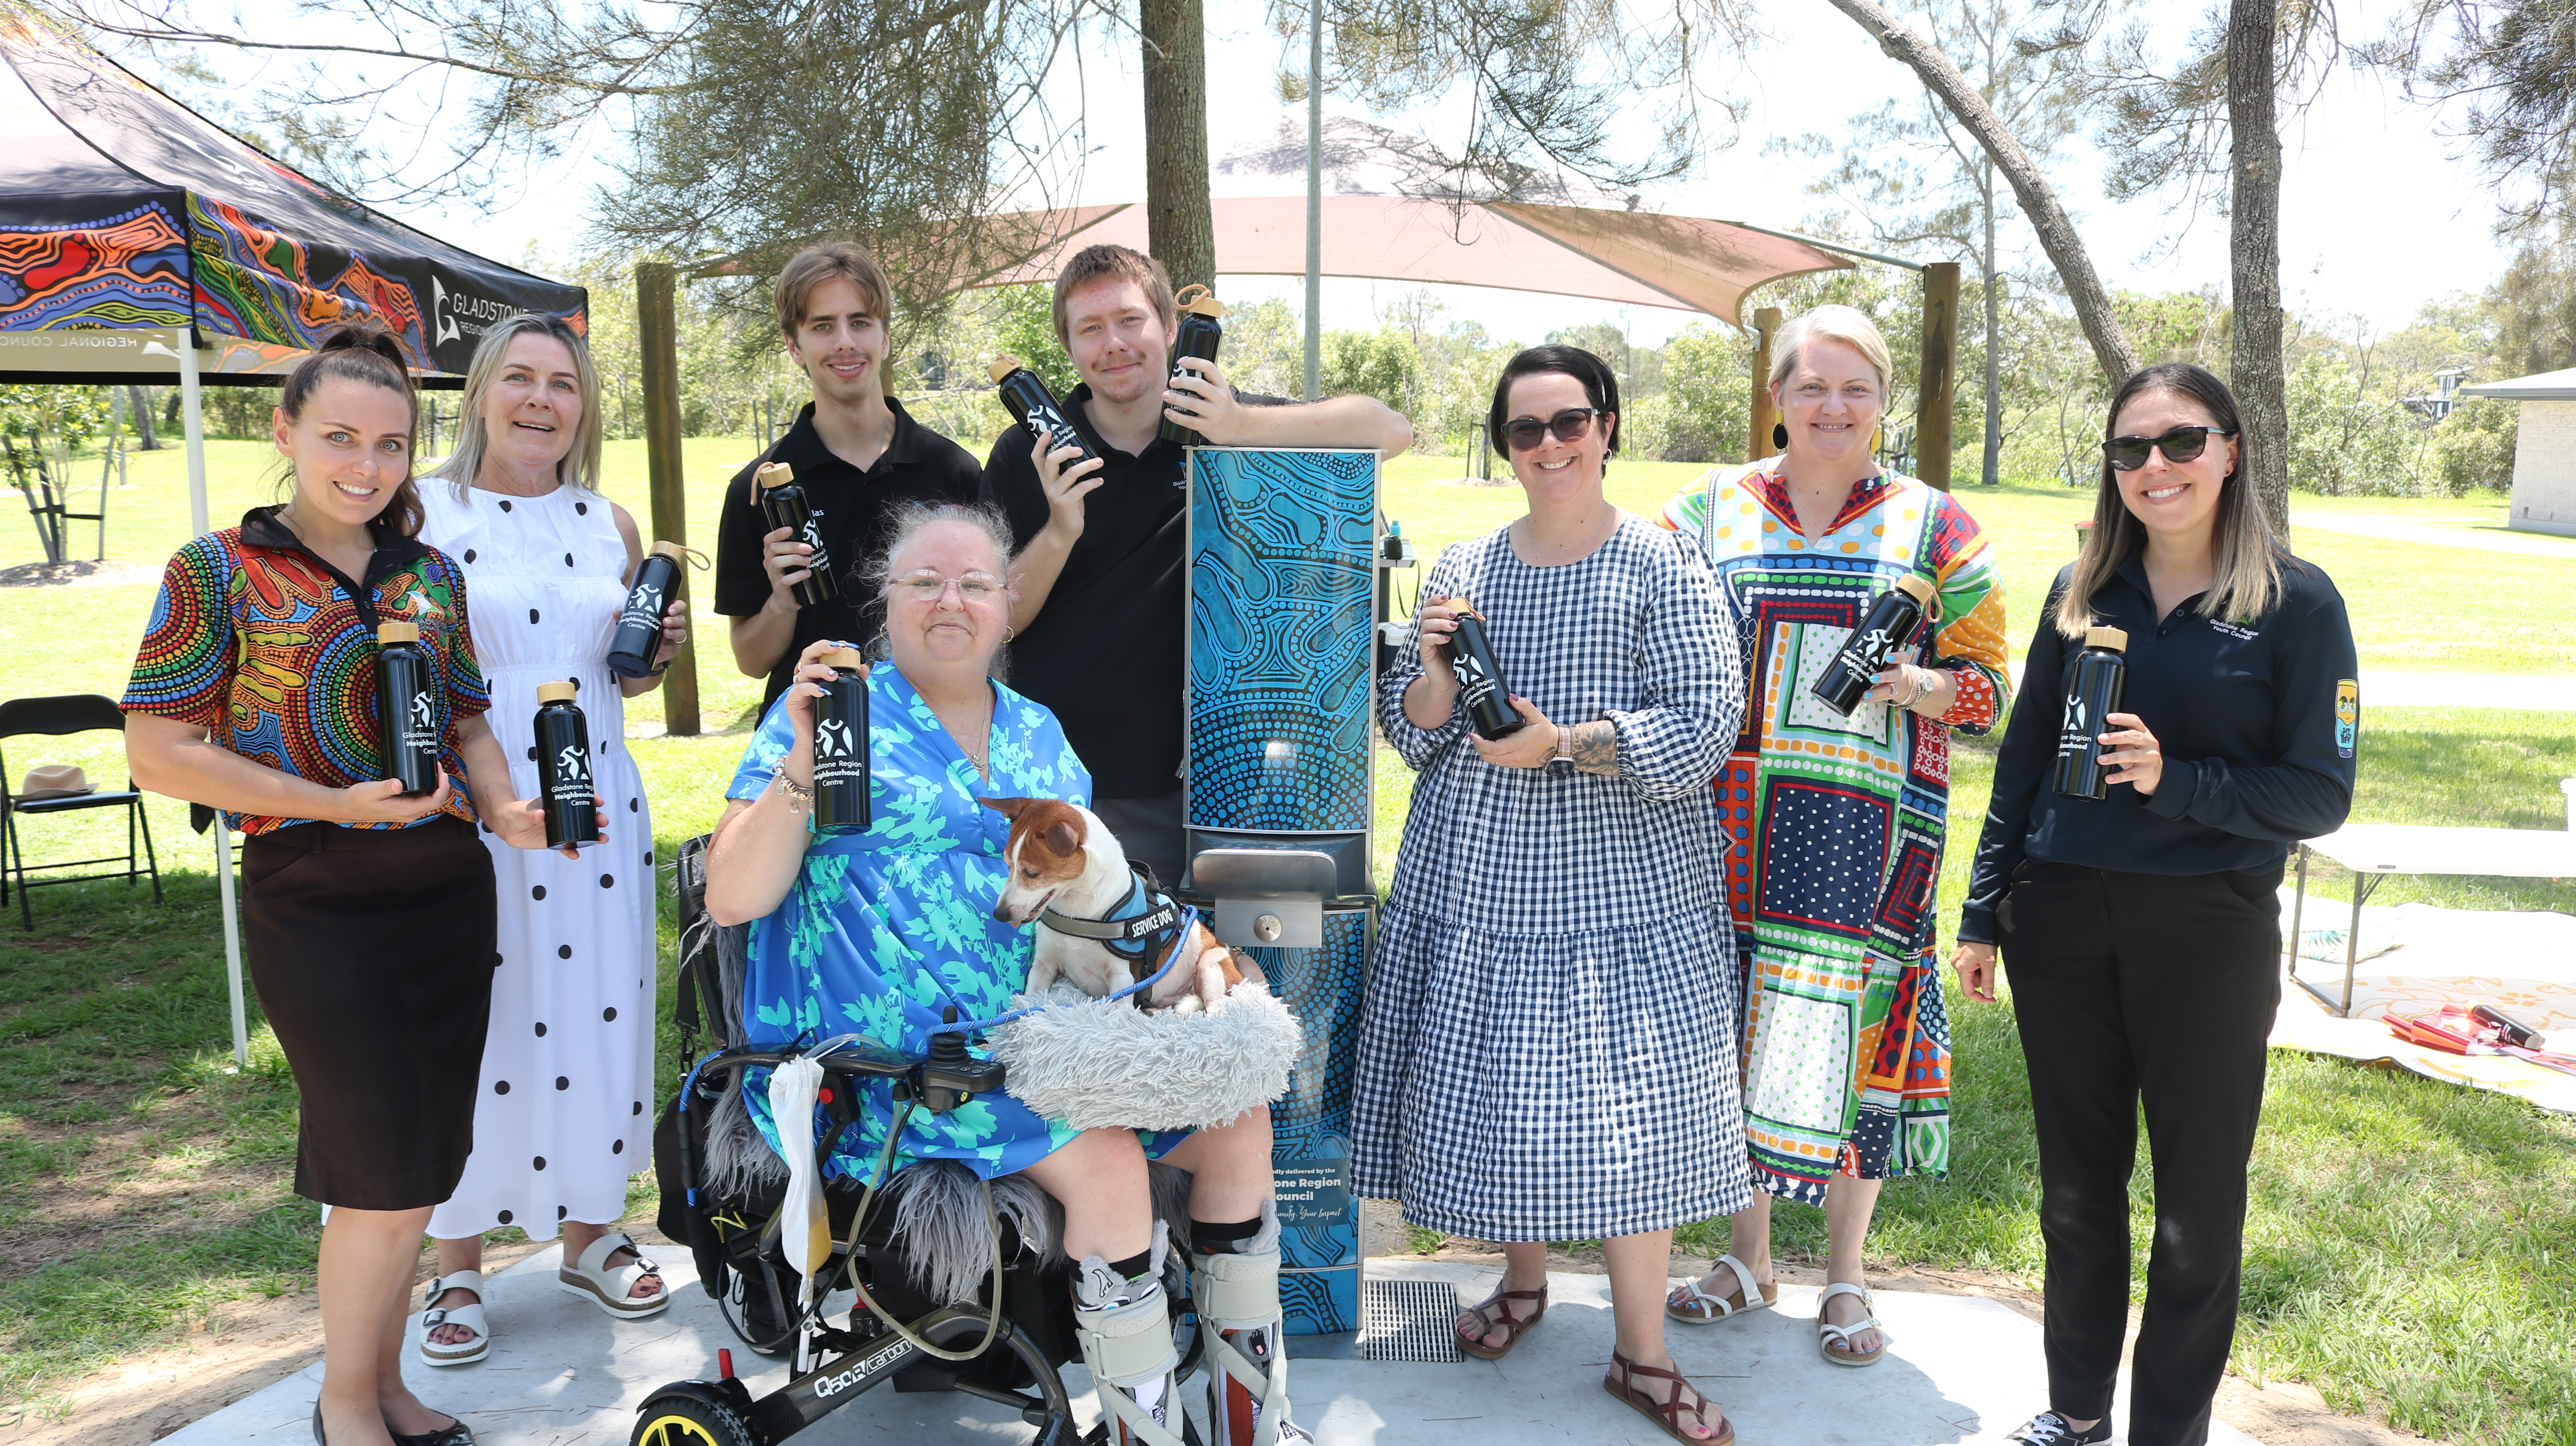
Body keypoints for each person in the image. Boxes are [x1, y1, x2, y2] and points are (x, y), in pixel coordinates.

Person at [702, 502, 1312, 1446]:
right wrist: (794, 765)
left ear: (1007, 602)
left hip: (1045, 1041)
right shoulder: (840, 721)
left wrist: (1204, 962)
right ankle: (1141, 1435)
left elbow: (1104, 890)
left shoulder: (1037, 732)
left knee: (1238, 1123)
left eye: (975, 583)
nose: (952, 601)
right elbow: (735, 898)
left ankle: (1250, 1424)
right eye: (925, 582)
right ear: (887, 598)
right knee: (1107, 1158)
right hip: (905, 1079)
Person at [122, 326, 572, 1446]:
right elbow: (157, 749)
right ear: (285, 433)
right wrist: (331, 802)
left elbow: (466, 719)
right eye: (338, 438)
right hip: (313, 893)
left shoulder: (430, 574)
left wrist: (509, 808)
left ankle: (383, 1387)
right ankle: (345, 1405)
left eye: (388, 444)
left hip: (445, 894)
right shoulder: (218, 570)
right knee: (374, 1165)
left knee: (419, 1166)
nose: (365, 466)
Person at [1957, 363, 2356, 1446]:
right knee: (2079, 1196)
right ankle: (2077, 1415)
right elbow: (2024, 764)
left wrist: (2174, 779)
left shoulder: (2296, 602)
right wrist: (1985, 912)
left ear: (2231, 448)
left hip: (2208, 935)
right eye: (2130, 450)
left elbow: (2320, 792)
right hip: (2063, 929)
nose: (2155, 469)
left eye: (2181, 443)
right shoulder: (2080, 594)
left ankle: (2166, 1432)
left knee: (2195, 1211)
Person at [1353, 346, 1746, 1444]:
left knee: (1634, 1116)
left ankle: (1642, 1354)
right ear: (1505, 446)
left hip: (1623, 884)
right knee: (1504, 1091)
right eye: (1524, 431)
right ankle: (1522, 1288)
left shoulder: (1662, 566)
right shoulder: (1464, 564)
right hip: (1478, 872)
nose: (1548, 447)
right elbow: (1416, 728)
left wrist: (1566, 742)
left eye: (1567, 423)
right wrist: (1429, 664)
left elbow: (1708, 722)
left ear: (1607, 427)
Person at [1655, 304, 2011, 1367]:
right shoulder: (1702, 513)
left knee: (1858, 1041)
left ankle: (1847, 1274)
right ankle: (1747, 1257)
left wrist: (1915, 683)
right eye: (1811, 385)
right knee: (1733, 1032)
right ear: (1776, 396)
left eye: (1855, 388)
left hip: (1873, 838)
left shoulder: (1936, 527)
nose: (1832, 407)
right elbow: (1657, 652)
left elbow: (1993, 693)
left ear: (1884, 402)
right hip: (1722, 832)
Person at [411, 314, 690, 1366]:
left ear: (585, 405)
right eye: (519, 378)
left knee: (596, 1006)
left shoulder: (610, 523)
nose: (540, 399)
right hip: (476, 797)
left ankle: (590, 1230)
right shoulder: (423, 513)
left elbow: (628, 672)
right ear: (481, 391)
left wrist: (655, 655)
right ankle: (457, 1265)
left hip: (597, 800)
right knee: (477, 1018)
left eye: (562, 383)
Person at [978, 243, 1412, 887]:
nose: (1115, 344)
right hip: (1078, 782)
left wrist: (1239, 425)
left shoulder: (1221, 416)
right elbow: (997, 620)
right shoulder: (1027, 452)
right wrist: (1061, 528)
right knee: (1097, 977)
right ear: (1069, 349)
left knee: (1220, 977)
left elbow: (1390, 430)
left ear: (1170, 329)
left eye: (1131, 320)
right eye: (1090, 329)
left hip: (1236, 775)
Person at [714, 242, 983, 713]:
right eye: (823, 326)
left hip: (934, 737)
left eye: (860, 322)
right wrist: (782, 598)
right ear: (794, 346)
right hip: (811, 739)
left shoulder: (953, 471)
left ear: (884, 338)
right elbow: (751, 660)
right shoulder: (759, 490)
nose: (845, 342)